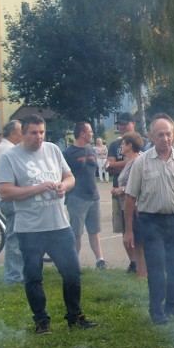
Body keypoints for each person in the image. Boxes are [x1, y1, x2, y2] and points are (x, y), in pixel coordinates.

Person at [0, 115, 96, 334]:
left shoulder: (52, 149)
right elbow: (5, 192)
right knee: (33, 277)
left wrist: (64, 186)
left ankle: (74, 316)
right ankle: (42, 321)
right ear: (23, 133)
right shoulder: (10, 157)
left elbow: (70, 177)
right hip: (30, 228)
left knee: (72, 273)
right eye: (33, 132)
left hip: (59, 225)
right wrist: (38, 188)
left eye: (42, 132)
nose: (39, 137)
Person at [124, 115, 174, 325]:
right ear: (151, 137)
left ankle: (172, 307)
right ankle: (156, 311)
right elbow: (130, 197)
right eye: (160, 134)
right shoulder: (142, 162)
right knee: (156, 268)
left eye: (168, 134)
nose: (165, 138)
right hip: (150, 222)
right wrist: (128, 230)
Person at [63, 122, 107, 269]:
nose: (92, 134)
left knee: (94, 230)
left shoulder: (92, 150)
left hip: (93, 196)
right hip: (77, 197)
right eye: (90, 131)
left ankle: (100, 261)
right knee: (76, 233)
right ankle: (73, 263)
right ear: (82, 133)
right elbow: (63, 175)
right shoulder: (68, 153)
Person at [106, 112, 139, 273]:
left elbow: (139, 162)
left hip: (133, 195)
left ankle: (141, 263)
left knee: (136, 229)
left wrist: (127, 162)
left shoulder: (142, 143)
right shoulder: (114, 144)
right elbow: (109, 166)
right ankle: (133, 262)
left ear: (134, 124)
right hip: (118, 194)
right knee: (124, 229)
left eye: (125, 124)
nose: (122, 127)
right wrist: (127, 162)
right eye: (120, 124)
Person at [110, 132, 145, 278]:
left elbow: (138, 184)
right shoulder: (128, 161)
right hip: (124, 205)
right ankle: (138, 268)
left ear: (130, 145)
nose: (121, 147)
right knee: (130, 238)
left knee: (138, 240)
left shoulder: (138, 161)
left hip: (135, 206)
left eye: (123, 144)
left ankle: (143, 271)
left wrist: (121, 189)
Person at [0, 120, 24, 284]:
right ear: (13, 133)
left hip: (7, 198)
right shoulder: (9, 150)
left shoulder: (2, 147)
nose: (23, 134)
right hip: (11, 199)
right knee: (14, 237)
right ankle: (13, 276)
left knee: (15, 235)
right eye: (21, 131)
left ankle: (16, 273)